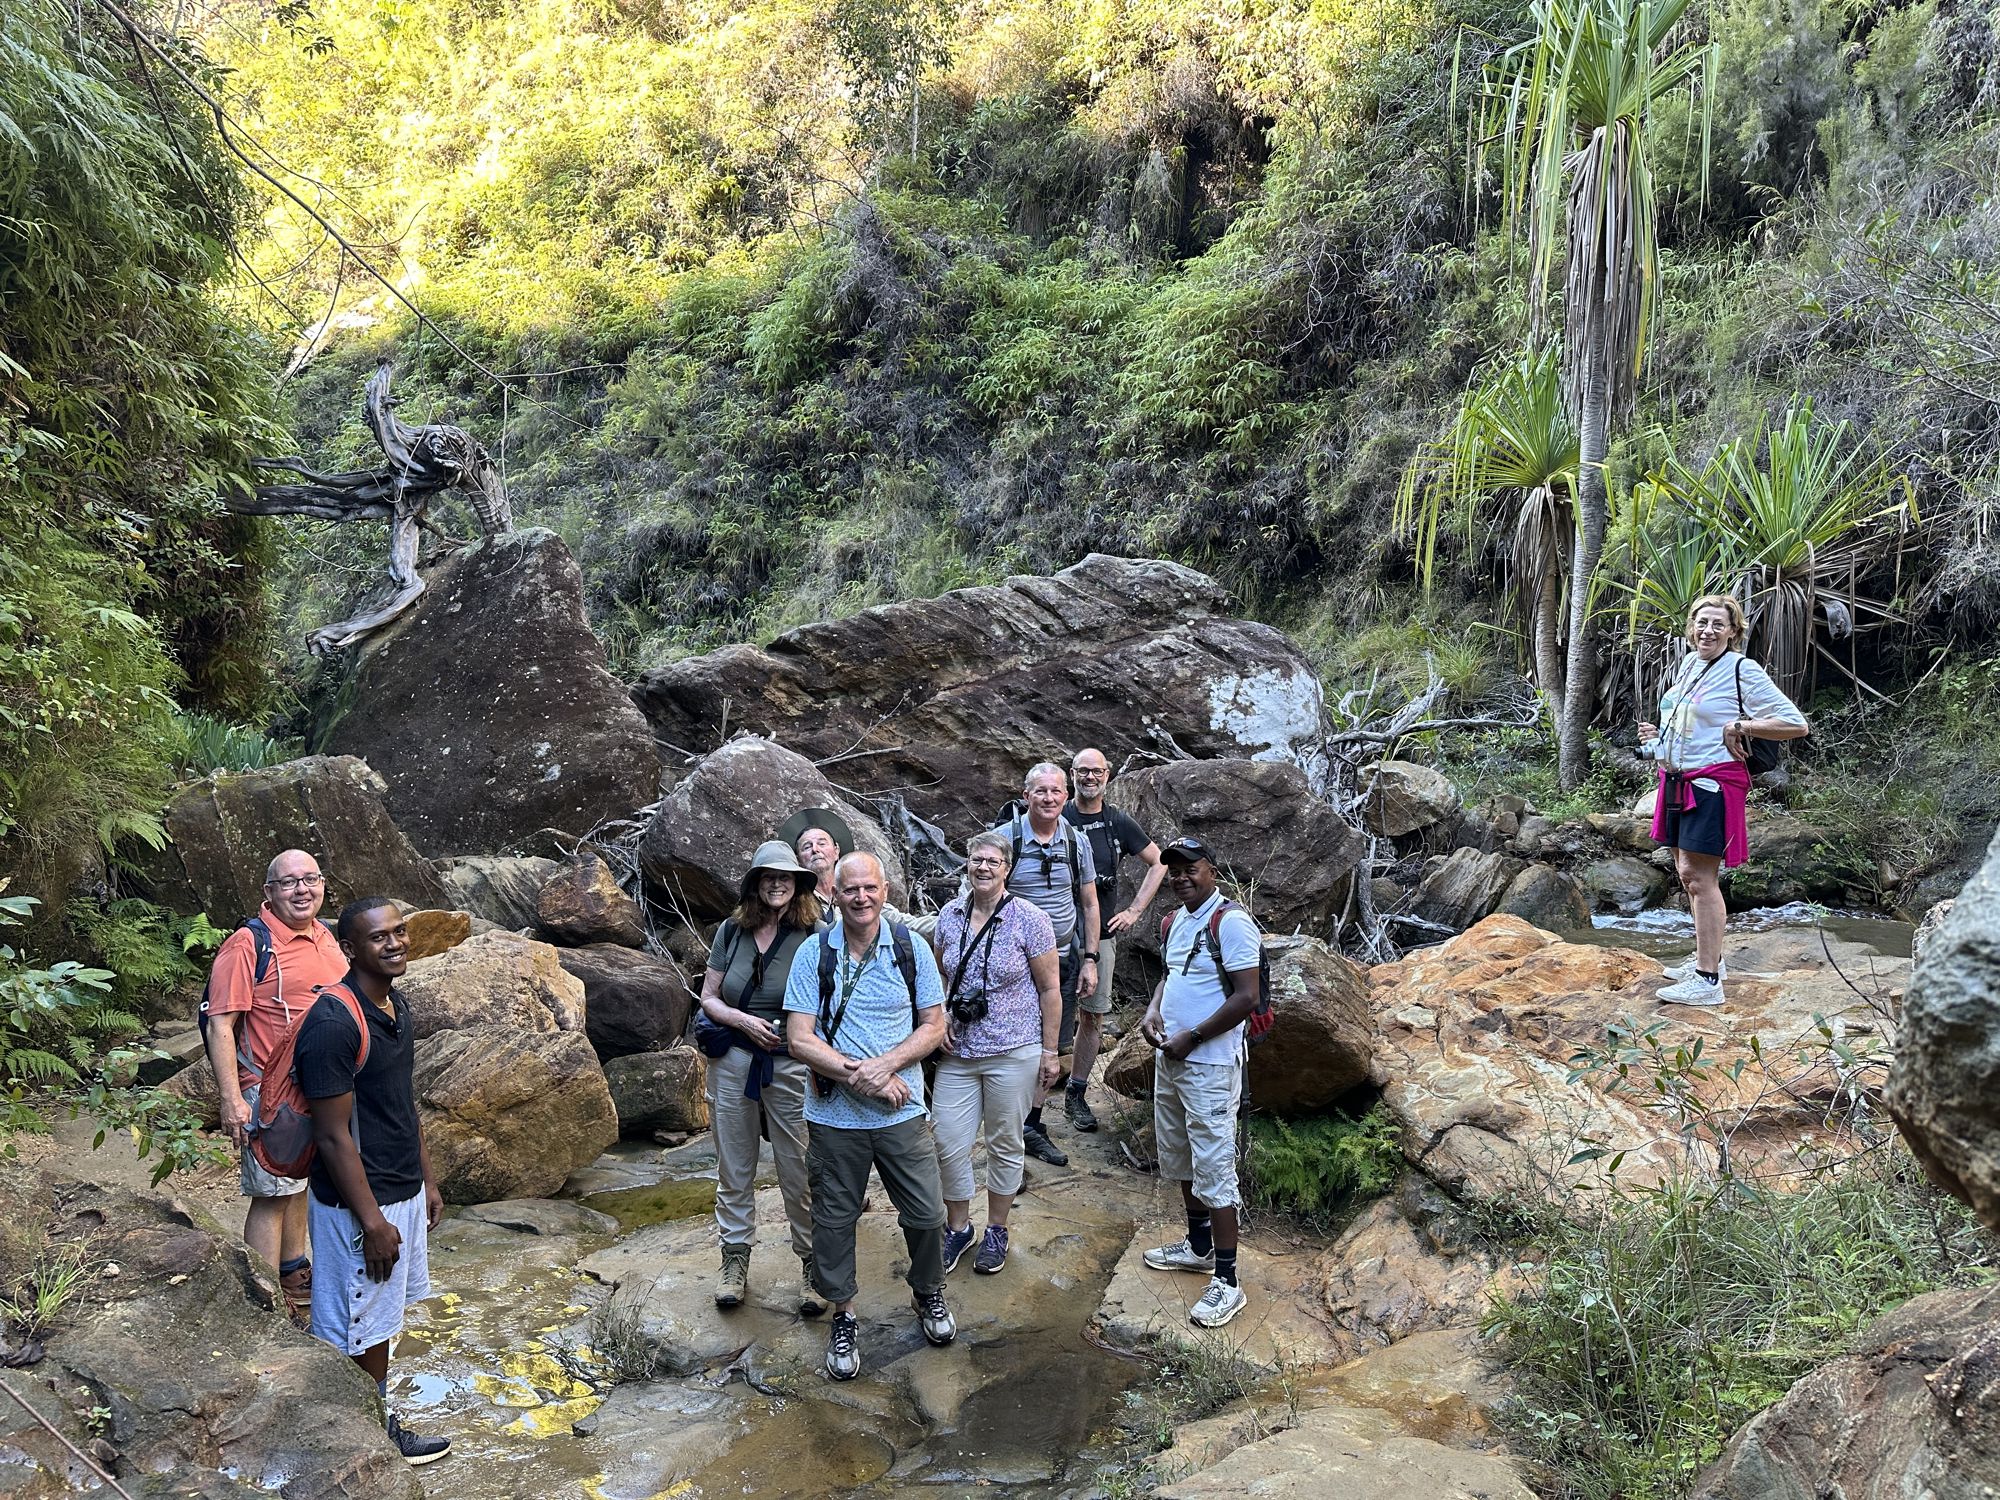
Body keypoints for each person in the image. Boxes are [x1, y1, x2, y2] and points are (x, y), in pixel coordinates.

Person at [783, 852, 955, 1381]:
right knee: (834, 1223)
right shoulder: (815, 954)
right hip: (834, 1116)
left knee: (927, 1214)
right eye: (850, 889)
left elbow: (933, 1025)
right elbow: (798, 1038)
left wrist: (886, 1067)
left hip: (902, 1112)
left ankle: (928, 1293)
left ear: (885, 891)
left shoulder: (910, 949)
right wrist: (860, 1074)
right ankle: (844, 1313)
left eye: (870, 888)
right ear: (833, 893)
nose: (861, 898)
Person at [296, 898, 450, 1466]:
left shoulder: (394, 1004)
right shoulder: (335, 1023)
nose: (395, 944)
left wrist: (426, 1182)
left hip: (399, 1189)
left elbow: (400, 1106)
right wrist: (373, 1222)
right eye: (379, 938)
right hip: (357, 1206)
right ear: (350, 948)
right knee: (349, 1324)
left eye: (400, 932)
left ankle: (367, 1426)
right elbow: (333, 1136)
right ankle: (355, 1440)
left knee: (376, 1321)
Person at [201, 848, 348, 1327]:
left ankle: (291, 1272)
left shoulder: (325, 936)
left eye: (311, 879)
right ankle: (261, 1300)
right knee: (269, 1192)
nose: (302, 890)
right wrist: (230, 1101)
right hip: (268, 1092)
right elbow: (221, 1025)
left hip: (317, 1090)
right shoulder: (248, 944)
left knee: (299, 1183)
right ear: (269, 893)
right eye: (289, 883)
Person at [1639, 594, 1809, 1008]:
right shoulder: (1689, 665)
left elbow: (1795, 724)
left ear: (1733, 631)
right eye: (1701, 622)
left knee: (1700, 878)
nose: (1707, 630)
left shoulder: (1742, 670)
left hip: (1712, 783)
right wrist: (1657, 743)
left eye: (1718, 623)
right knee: (1685, 874)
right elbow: (1689, 727)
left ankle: (1708, 980)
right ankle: (1709, 958)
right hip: (1678, 779)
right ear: (1690, 627)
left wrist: (1740, 724)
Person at [696, 840, 826, 1314]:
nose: (777, 883)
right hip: (733, 1059)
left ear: (798, 885)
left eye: (786, 877)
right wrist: (740, 1019)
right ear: (754, 883)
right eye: (768, 876)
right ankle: (734, 1261)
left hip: (791, 1062)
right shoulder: (732, 932)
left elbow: (828, 1003)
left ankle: (813, 1266)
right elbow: (709, 997)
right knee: (734, 1166)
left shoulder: (816, 935)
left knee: (800, 1167)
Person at [928, 831, 1063, 1277]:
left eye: (992, 861)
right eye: (975, 860)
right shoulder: (948, 915)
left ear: (1007, 868)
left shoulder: (1029, 918)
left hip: (1014, 1049)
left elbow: (1049, 989)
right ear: (966, 865)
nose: (982, 868)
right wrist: (938, 1022)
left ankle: (998, 1229)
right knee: (948, 1142)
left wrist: (1049, 1051)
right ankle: (958, 1226)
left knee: (1006, 1142)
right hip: (958, 1051)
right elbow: (938, 980)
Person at [1139, 838, 1261, 1330]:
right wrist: (1152, 1012)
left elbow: (1248, 996)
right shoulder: (1175, 922)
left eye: (1192, 869)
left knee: (1214, 1166)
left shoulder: (1230, 922)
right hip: (1172, 1058)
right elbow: (1170, 978)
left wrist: (1194, 1036)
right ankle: (1198, 1247)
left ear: (1212, 870)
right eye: (1174, 871)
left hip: (1209, 1063)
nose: (1182, 877)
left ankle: (1228, 1282)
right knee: (1182, 1156)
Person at [991, 762, 1098, 1166]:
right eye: (1040, 791)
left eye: (1056, 791)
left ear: (1066, 797)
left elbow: (1088, 902)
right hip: (1013, 964)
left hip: (1064, 957)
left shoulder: (1075, 841)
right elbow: (981, 900)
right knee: (1016, 1044)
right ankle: (1009, 1128)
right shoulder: (1005, 840)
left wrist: (1090, 958)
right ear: (1026, 796)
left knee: (1049, 1045)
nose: (1049, 798)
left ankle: (1031, 1124)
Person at [1061, 748, 1165, 1133]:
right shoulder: (1059, 815)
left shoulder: (1116, 821)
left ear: (1107, 776)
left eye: (1096, 772)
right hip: (1053, 933)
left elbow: (1160, 861)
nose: (1089, 778)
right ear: (1072, 775)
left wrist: (1135, 911)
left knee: (1092, 1014)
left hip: (1100, 933)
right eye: (1082, 771)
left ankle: (1075, 1092)